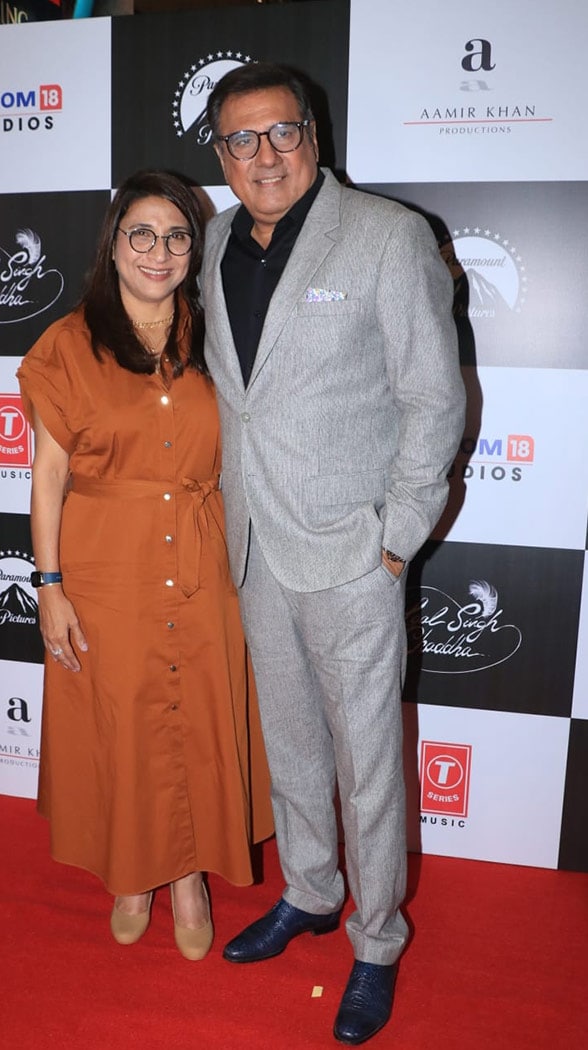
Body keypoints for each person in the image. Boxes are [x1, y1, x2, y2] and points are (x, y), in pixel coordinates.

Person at [202, 64, 466, 1042]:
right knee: (292, 745)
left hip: (351, 549)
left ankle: (377, 938)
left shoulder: (389, 236)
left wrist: (394, 540)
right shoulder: (215, 241)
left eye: (281, 132)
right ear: (220, 156)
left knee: (367, 766)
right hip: (254, 541)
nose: (263, 156)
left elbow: (433, 400)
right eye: (241, 140)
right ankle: (310, 892)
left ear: (314, 134)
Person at [17, 170, 272, 963]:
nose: (159, 252)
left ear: (194, 250)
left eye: (177, 236)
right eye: (142, 235)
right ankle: (133, 877)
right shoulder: (67, 343)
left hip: (204, 559)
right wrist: (49, 585)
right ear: (114, 244)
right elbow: (48, 476)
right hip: (105, 566)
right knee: (123, 722)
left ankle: (189, 875)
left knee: (196, 715)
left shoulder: (218, 335)